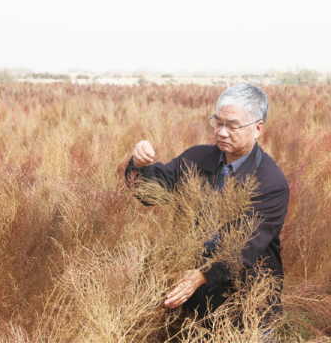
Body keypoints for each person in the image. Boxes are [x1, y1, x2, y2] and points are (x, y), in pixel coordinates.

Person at [124, 83, 289, 324]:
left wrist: (202, 276)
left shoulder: (270, 182)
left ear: (258, 128)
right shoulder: (196, 158)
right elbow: (151, 194)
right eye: (218, 122)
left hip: (245, 302)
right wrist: (139, 165)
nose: (222, 132)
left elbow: (244, 247)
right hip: (192, 298)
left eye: (232, 125)